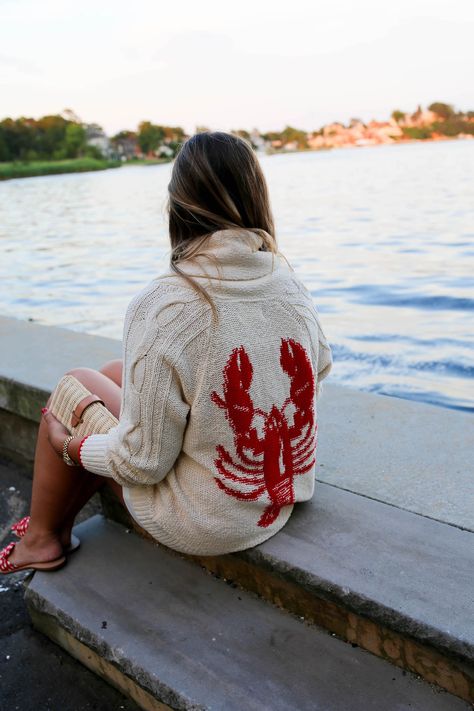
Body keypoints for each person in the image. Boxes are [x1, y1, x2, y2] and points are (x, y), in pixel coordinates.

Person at [0, 131, 332, 574]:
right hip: (282, 499)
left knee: (76, 383)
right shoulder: (288, 282)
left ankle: (40, 540)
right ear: (257, 197)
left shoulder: (165, 305)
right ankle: (54, 526)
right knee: (115, 372)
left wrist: (73, 448)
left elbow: (140, 464)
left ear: (177, 205)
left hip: (204, 521)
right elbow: (319, 368)